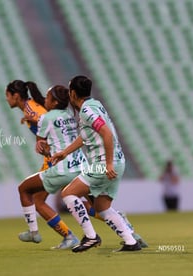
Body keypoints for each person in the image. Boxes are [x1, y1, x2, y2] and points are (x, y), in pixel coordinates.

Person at [52, 75, 142, 252]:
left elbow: (106, 134)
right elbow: (86, 136)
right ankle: (131, 241)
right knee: (101, 207)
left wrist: (108, 164)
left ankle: (91, 237)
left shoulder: (86, 110)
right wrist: (64, 152)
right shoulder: (95, 105)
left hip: (104, 164)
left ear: (73, 93)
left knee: (68, 194)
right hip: (118, 161)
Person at [16, 84, 100, 249]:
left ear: (54, 102)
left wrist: (41, 145)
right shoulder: (69, 114)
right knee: (96, 205)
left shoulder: (46, 117)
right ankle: (129, 232)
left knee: (24, 189)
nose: (44, 101)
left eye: (47, 98)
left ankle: (35, 232)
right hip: (81, 166)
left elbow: (41, 144)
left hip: (62, 169)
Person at [6, 80, 80, 249]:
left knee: (35, 199)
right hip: (64, 160)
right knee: (86, 202)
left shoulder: (30, 109)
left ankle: (62, 236)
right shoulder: (30, 108)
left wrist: (34, 119)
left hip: (54, 161)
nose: (6, 99)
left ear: (15, 96)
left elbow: (47, 119)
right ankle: (126, 229)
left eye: (7, 95)